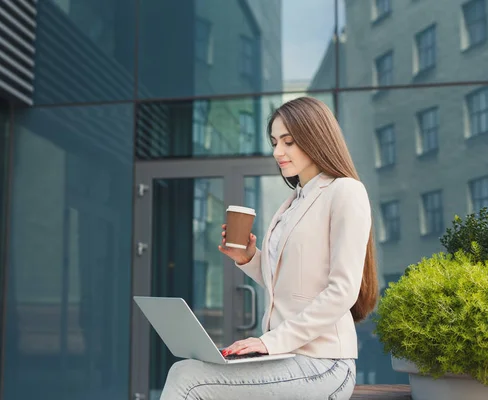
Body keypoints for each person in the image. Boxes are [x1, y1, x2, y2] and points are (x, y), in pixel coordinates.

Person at [159, 97, 378, 400]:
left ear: (315, 137)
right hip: (285, 356)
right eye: (275, 142)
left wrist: (271, 342)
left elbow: (342, 291)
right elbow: (288, 282)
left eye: (288, 142)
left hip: (324, 363)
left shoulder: (345, 191)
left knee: (187, 377)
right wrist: (249, 258)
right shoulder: (292, 202)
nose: (278, 152)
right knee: (187, 370)